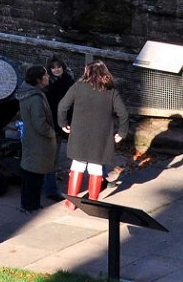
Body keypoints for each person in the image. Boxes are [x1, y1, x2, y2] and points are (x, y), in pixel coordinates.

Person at [56, 59, 130, 209]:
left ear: (87, 71)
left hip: (79, 135)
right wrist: (121, 133)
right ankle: (93, 203)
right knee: (96, 168)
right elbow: (123, 114)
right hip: (101, 137)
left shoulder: (78, 87)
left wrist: (63, 124)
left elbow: (62, 106)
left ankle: (71, 202)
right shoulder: (111, 92)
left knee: (77, 166)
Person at [16, 65, 58, 214]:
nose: (48, 77)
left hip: (30, 138)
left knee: (29, 172)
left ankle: (28, 203)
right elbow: (39, 122)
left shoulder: (28, 94)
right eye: (45, 75)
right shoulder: (35, 98)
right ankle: (30, 205)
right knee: (34, 175)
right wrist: (51, 133)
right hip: (38, 141)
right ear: (38, 80)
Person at [42, 55, 75, 200]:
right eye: (53, 67)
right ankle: (50, 188)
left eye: (59, 67)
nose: (56, 70)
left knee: (53, 157)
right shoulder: (48, 86)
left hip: (64, 124)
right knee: (51, 158)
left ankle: (49, 184)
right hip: (53, 124)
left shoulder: (68, 81)